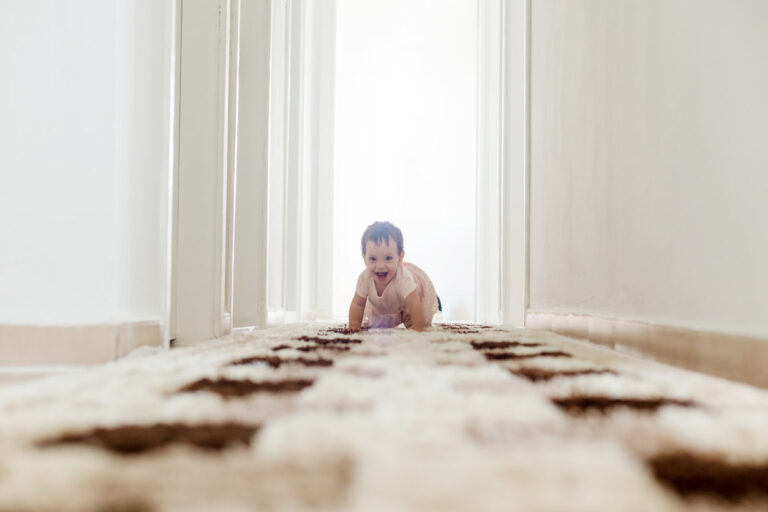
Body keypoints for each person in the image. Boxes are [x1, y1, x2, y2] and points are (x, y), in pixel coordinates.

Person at [348, 221, 440, 331]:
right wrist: (354, 325)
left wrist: (418, 326)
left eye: (388, 258)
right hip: (387, 303)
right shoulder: (365, 278)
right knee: (376, 324)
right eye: (373, 259)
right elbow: (358, 304)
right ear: (364, 258)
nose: (380, 266)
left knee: (414, 320)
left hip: (413, 297)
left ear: (400, 258)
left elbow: (414, 304)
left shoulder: (403, 278)